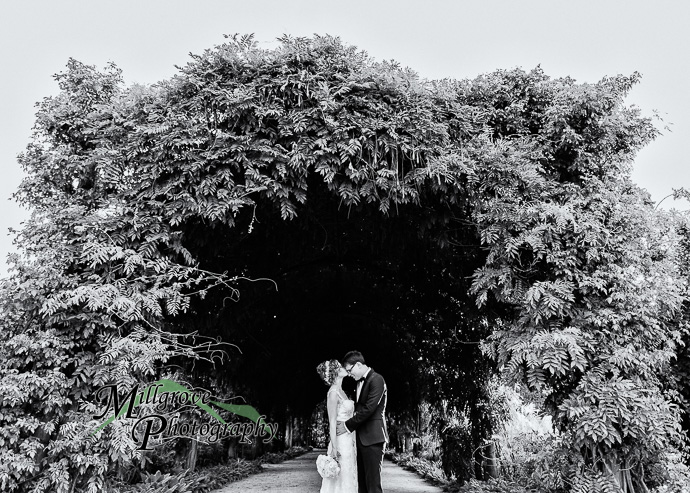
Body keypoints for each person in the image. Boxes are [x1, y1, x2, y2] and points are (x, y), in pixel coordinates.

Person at [336, 351, 388, 493]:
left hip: (373, 438)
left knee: (373, 486)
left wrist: (347, 425)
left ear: (358, 364)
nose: (348, 374)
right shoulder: (358, 383)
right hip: (361, 439)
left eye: (349, 370)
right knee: (362, 486)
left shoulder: (377, 379)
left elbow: (369, 409)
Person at [316, 359, 358, 493]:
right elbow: (332, 422)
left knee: (349, 474)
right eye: (339, 367)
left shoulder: (342, 391)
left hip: (349, 438)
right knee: (341, 478)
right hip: (341, 441)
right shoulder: (333, 393)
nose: (343, 367)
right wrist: (334, 448)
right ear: (335, 373)